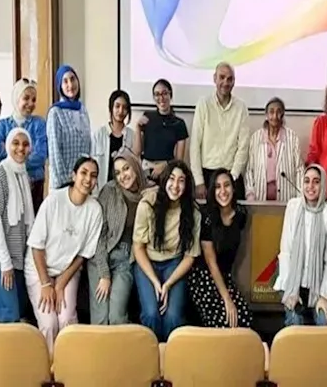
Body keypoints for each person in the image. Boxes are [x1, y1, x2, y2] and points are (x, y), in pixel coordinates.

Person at [24, 156, 102, 353]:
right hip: (39, 269)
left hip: (67, 270)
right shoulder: (54, 201)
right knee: (49, 323)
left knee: (66, 318)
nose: (88, 179)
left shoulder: (95, 209)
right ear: (73, 176)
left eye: (93, 176)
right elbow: (36, 247)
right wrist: (46, 284)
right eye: (84, 173)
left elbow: (83, 254)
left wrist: (60, 284)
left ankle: (70, 363)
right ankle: (48, 366)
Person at [132, 160, 201, 341]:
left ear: (186, 185)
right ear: (164, 180)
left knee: (173, 316)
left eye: (181, 181)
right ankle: (152, 354)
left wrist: (168, 284)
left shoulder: (193, 212)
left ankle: (170, 354)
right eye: (171, 179)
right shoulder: (148, 204)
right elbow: (138, 248)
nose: (175, 185)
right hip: (147, 261)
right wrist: (156, 281)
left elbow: (190, 256)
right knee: (151, 313)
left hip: (174, 263)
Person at [0, 128, 35, 323]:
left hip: (14, 259)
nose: (21, 148)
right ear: (7, 145)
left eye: (25, 144)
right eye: (15, 143)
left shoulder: (23, 175)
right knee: (9, 317)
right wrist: (5, 262)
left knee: (9, 318)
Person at [274, 164, 327, 326]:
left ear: (322, 185)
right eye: (307, 181)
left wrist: (323, 296)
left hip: (317, 285)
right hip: (292, 280)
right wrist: (291, 290)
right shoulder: (293, 207)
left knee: (324, 320)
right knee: (295, 321)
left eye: (316, 182)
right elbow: (285, 251)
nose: (310, 186)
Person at [188, 169, 252, 328]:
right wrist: (227, 300)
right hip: (203, 278)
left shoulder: (240, 214)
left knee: (244, 317)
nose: (223, 191)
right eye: (217, 187)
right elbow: (211, 264)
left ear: (233, 188)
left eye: (226, 185)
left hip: (225, 277)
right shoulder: (207, 217)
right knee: (223, 320)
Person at [89, 151, 146, 325]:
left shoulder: (148, 194)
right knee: (100, 319)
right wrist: (104, 274)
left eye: (126, 168)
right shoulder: (109, 190)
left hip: (125, 260)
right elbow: (99, 235)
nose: (123, 176)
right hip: (100, 257)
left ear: (135, 167)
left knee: (116, 317)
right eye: (118, 172)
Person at [190, 62, 250, 200]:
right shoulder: (203, 104)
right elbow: (195, 145)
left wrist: (233, 177)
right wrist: (199, 181)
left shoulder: (241, 107)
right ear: (214, 78)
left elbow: (243, 146)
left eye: (230, 79)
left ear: (234, 82)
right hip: (207, 175)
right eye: (222, 77)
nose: (225, 82)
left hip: (232, 174)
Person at [0, 79, 48, 211]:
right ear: (16, 98)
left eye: (34, 100)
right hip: (9, 181)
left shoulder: (39, 123)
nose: (31, 103)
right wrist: (27, 154)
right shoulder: (2, 125)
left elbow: (41, 155)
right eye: (26, 98)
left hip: (34, 183)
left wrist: (12, 156)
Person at [245, 97, 304, 202]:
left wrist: (300, 196)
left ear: (283, 115)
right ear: (266, 115)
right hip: (259, 197)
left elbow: (299, 169)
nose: (275, 116)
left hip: (286, 196)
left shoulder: (292, 137)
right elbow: (249, 169)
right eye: (271, 112)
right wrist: (250, 194)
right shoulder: (256, 137)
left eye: (278, 112)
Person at [46, 65, 92, 190]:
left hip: (82, 181)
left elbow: (88, 148)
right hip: (63, 183)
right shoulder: (55, 112)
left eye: (72, 79)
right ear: (60, 86)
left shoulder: (83, 110)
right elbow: (54, 152)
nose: (70, 85)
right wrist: (66, 182)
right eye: (65, 81)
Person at [135, 79, 188, 181]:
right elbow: (137, 152)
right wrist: (137, 127)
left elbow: (179, 160)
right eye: (157, 94)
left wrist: (165, 165)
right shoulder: (147, 117)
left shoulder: (179, 123)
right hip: (146, 170)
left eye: (164, 93)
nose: (161, 98)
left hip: (167, 171)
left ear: (170, 95)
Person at [92, 89, 139, 191]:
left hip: (125, 190)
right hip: (102, 189)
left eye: (125, 107)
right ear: (111, 108)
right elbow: (92, 165)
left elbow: (136, 165)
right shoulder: (99, 134)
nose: (121, 111)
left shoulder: (132, 135)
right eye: (117, 106)